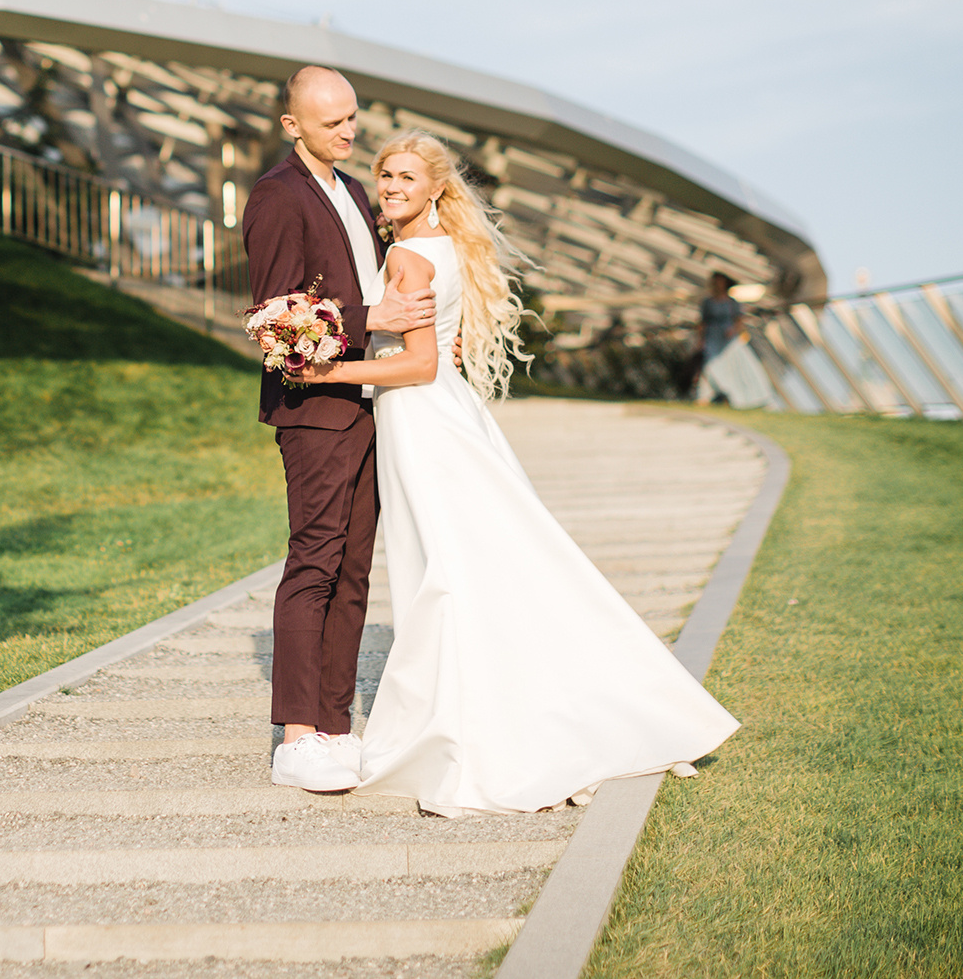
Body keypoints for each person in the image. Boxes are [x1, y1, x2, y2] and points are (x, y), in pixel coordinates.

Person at [294, 130, 738, 814]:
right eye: (385, 176)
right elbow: (443, 347)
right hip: (446, 415)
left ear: (436, 187)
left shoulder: (408, 256)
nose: (391, 187)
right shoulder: (442, 245)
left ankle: (477, 725)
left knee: (443, 571)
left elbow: (420, 363)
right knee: (481, 560)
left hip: (422, 423)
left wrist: (324, 371)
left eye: (407, 177)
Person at [240, 66, 434, 792]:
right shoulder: (276, 194)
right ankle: (296, 737)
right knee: (315, 561)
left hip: (368, 401)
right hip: (313, 408)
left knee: (354, 568)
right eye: (332, 123)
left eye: (352, 117)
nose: (349, 131)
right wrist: (369, 318)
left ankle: (334, 723)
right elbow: (276, 311)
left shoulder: (353, 190)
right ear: (292, 125)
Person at [693, 272, 746, 404]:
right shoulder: (707, 302)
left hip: (727, 337)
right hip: (712, 336)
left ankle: (733, 394)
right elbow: (702, 322)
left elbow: (739, 320)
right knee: (710, 364)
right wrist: (700, 340)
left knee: (729, 364)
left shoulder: (732, 303)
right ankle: (713, 393)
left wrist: (733, 330)